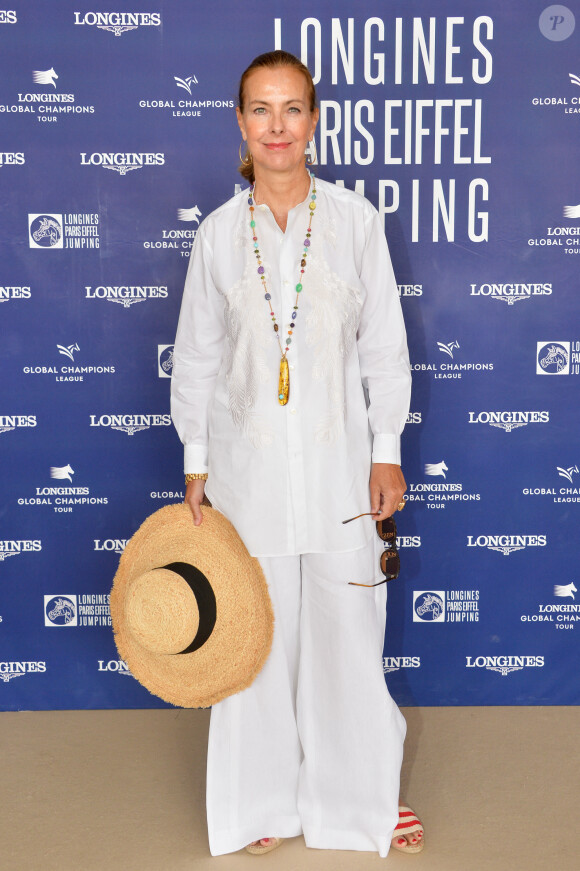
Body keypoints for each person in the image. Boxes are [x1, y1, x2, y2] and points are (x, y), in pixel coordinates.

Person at [171, 50, 423, 857]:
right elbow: (199, 355)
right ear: (239, 123)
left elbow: (385, 344)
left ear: (314, 120)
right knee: (255, 640)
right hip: (248, 476)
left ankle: (360, 803)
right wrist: (197, 459)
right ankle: (259, 806)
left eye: (292, 109)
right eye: (260, 110)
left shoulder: (355, 222)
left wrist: (386, 447)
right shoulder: (216, 235)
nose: (277, 127)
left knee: (349, 632)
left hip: (343, 470)